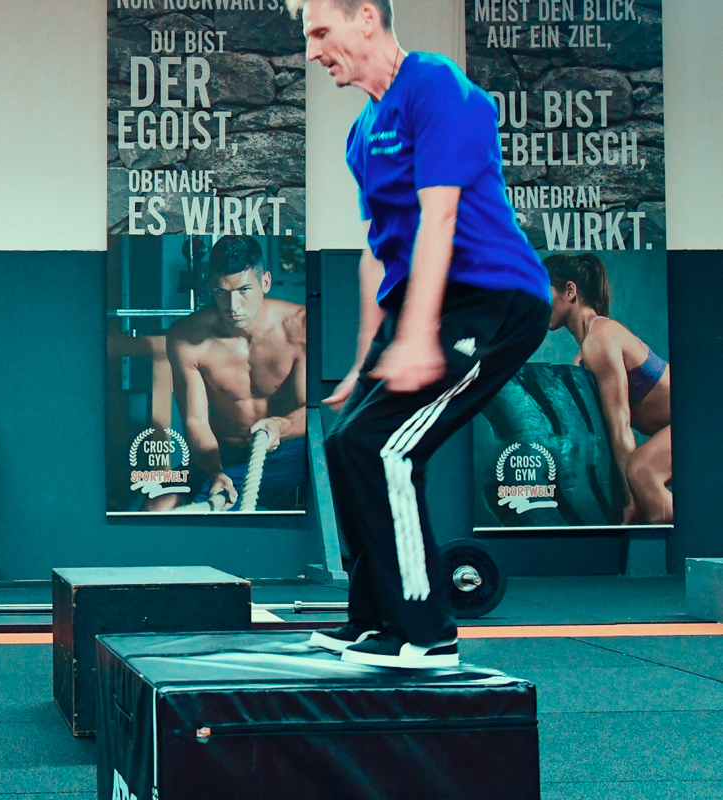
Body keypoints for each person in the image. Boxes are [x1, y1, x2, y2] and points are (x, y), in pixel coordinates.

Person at [290, 0, 551, 668]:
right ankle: (374, 618)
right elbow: (379, 254)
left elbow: (440, 217)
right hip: (426, 300)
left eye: (322, 32)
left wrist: (418, 337)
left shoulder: (434, 86)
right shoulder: (361, 133)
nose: (314, 52)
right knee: (350, 442)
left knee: (386, 451)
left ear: (367, 19)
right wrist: (363, 361)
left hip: (492, 301)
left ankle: (427, 629)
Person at [156, 236, 307, 512]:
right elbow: (196, 421)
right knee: (156, 509)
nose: (233, 305)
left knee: (324, 512)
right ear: (211, 287)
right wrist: (215, 472)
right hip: (222, 458)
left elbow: (310, 410)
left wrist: (279, 427)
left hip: (292, 458)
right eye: (221, 292)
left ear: (265, 282)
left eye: (244, 289)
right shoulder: (185, 337)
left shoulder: (299, 328)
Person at [546, 253, 672, 523]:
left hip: (703, 422)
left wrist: (630, 500)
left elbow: (620, 424)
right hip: (674, 430)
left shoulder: (600, 339)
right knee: (637, 477)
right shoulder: (583, 356)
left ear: (569, 291)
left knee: (642, 472)